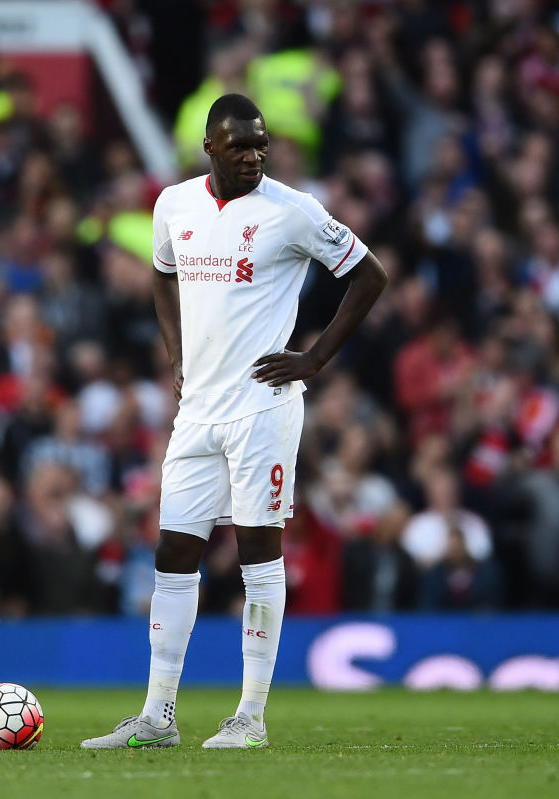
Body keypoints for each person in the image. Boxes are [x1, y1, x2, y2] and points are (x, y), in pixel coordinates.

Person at [81, 94, 387, 751]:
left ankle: (250, 716)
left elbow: (370, 275)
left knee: (258, 550)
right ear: (210, 148)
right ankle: (157, 716)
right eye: (240, 145)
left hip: (262, 407)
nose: (254, 155)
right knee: (173, 551)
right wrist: (175, 354)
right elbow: (162, 276)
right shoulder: (174, 204)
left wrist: (314, 359)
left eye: (260, 144)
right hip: (197, 410)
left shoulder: (293, 210)